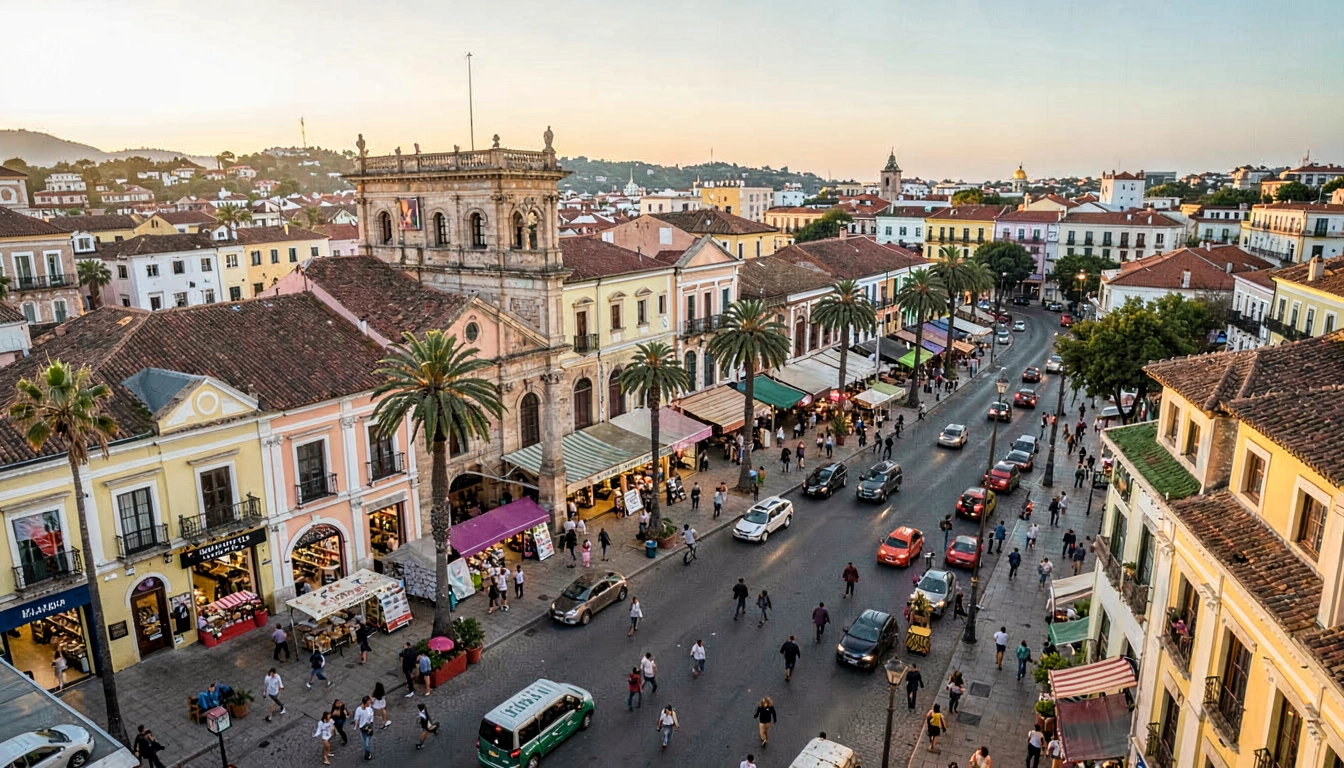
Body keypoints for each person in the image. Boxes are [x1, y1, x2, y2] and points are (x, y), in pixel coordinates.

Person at [355, 696, 375, 761]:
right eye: (369, 701)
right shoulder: (359, 709)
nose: (370, 702)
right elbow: (356, 718)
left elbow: (371, 718)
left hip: (368, 727)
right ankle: (367, 754)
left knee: (366, 743)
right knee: (365, 741)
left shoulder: (369, 709)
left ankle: (368, 754)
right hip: (362, 728)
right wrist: (356, 725)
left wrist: (370, 727)